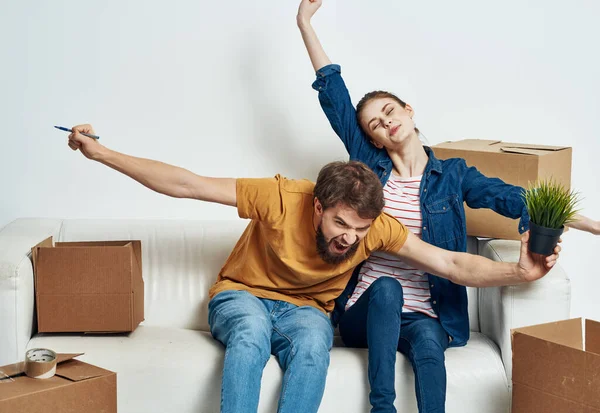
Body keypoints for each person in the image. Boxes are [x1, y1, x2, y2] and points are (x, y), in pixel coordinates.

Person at [66, 124, 558, 413]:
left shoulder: (375, 227)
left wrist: (522, 274)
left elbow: (450, 262)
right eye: (341, 223)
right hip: (242, 295)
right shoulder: (281, 196)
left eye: (361, 231)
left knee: (313, 341)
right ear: (319, 206)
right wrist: (102, 152)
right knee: (252, 332)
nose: (350, 237)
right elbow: (188, 184)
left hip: (306, 310)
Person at [297, 1, 598, 412]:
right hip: (366, 310)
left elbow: (510, 197)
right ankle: (381, 407)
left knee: (427, 342)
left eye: (389, 112)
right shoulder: (369, 167)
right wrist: (304, 22)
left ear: (408, 110)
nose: (386, 123)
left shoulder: (452, 175)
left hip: (427, 311)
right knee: (386, 287)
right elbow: (334, 95)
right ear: (374, 140)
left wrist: (586, 223)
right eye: (375, 125)